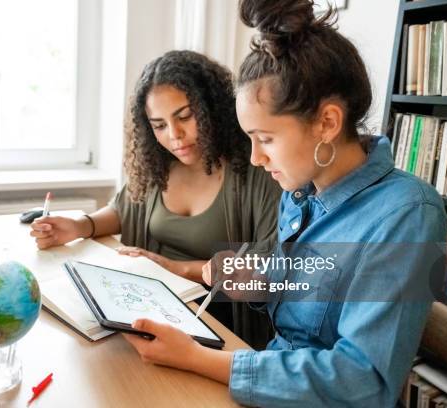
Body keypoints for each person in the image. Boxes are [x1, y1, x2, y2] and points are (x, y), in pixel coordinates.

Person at [121, 1, 447, 406]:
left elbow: (363, 382)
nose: (256, 158)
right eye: (250, 139)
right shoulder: (300, 193)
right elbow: (305, 291)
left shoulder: (407, 213)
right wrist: (255, 279)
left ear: (327, 122)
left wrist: (200, 359)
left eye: (267, 139)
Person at [30, 50, 282, 348]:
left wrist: (173, 268)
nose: (174, 135)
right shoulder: (159, 165)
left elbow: (268, 273)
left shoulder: (258, 170)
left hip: (222, 330)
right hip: (157, 311)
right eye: (159, 125)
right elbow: (124, 209)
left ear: (212, 108)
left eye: (185, 117)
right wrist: (78, 226)